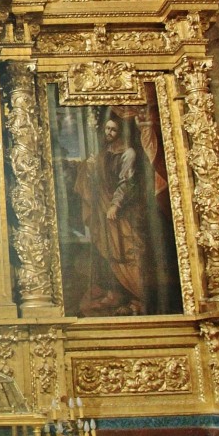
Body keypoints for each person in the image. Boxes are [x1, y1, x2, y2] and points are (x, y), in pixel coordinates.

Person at [74, 116, 150, 315]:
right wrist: (90, 168)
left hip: (124, 211)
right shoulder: (105, 153)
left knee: (125, 251)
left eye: (113, 130)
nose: (109, 133)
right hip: (105, 209)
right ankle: (114, 293)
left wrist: (115, 205)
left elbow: (127, 182)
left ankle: (136, 296)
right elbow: (99, 179)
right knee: (108, 251)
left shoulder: (129, 153)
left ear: (121, 133)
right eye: (107, 129)